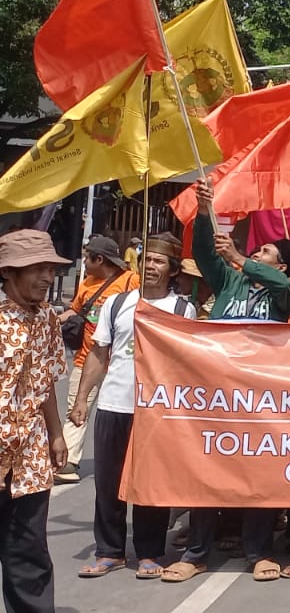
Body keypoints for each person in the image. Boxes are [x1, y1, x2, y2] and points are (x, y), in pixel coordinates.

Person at [166, 184, 290, 584]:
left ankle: (258, 551)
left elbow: (288, 291)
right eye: (255, 251)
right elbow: (204, 254)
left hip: (262, 400)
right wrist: (204, 210)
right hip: (218, 395)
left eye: (265, 253)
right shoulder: (230, 282)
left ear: (281, 267)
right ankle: (196, 553)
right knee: (207, 470)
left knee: (258, 473)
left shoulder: (286, 291)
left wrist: (241, 258)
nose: (256, 255)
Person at [70, 233, 193, 581]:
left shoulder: (183, 310)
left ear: (172, 270)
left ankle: (150, 552)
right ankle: (109, 551)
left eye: (159, 261)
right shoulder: (117, 303)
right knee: (108, 484)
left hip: (157, 411)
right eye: (147, 259)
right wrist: (82, 399)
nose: (150, 266)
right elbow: (99, 353)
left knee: (151, 483)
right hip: (115, 404)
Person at [0, 230, 72, 613]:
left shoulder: (47, 318)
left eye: (50, 269)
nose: (47, 277)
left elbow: (45, 382)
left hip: (29, 457)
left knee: (28, 551)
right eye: (37, 269)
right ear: (8, 272)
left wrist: (56, 434)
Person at [57, 233, 139, 484]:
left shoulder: (131, 282)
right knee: (76, 407)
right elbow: (75, 310)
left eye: (87, 257)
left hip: (122, 364)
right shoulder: (87, 284)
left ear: (99, 259)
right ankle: (68, 462)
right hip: (87, 358)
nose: (84, 261)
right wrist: (50, 321)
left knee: (126, 415)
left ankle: (128, 463)